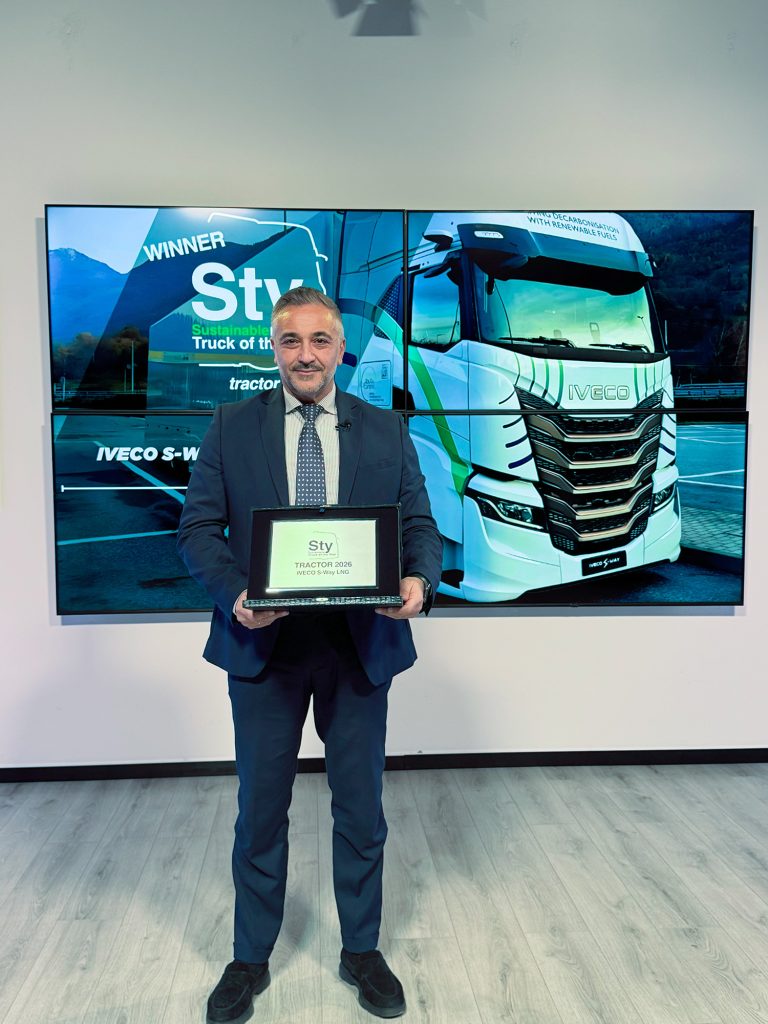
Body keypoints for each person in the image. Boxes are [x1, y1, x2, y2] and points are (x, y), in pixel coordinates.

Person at [177, 286, 442, 1022]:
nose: (306, 355)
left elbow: (420, 524)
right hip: (265, 649)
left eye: (319, 340)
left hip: (359, 648)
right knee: (261, 810)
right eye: (291, 341)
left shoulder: (385, 428)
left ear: (340, 349)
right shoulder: (231, 426)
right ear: (274, 348)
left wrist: (418, 581)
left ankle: (362, 950)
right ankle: (249, 958)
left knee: (361, 809)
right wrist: (236, 594)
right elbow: (196, 529)